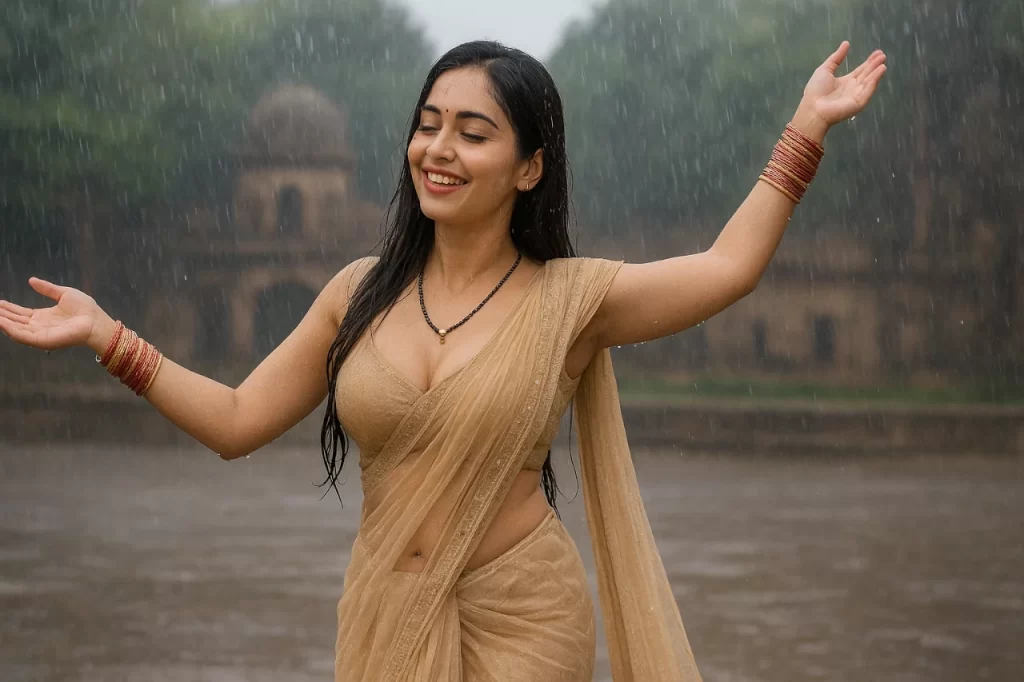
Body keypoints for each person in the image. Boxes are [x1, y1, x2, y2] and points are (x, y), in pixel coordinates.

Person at [0, 39, 885, 681]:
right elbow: (237, 424)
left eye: (472, 131)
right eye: (427, 126)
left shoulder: (571, 300)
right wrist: (108, 336)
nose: (439, 150)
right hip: (385, 615)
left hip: (524, 617)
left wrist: (804, 130)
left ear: (529, 168)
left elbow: (727, 270)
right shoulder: (358, 294)